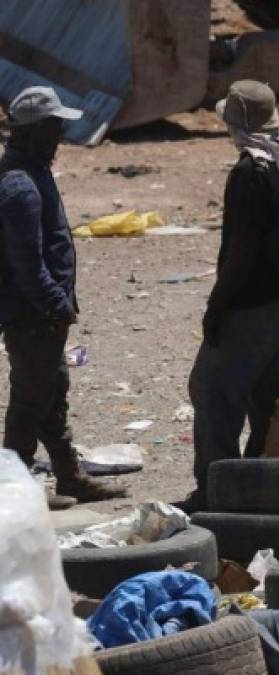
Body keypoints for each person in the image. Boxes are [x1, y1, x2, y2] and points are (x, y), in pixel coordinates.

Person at [177, 80, 279, 513]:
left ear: (236, 123)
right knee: (264, 391)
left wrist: (216, 307)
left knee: (212, 390)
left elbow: (241, 252)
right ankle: (259, 482)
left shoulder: (252, 170)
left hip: (252, 301)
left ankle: (217, 491)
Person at [0, 86, 126, 503]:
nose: (60, 137)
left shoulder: (31, 173)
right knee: (30, 402)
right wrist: (56, 306)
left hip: (41, 315)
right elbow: (27, 264)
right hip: (33, 317)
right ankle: (14, 492)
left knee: (51, 393)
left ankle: (70, 477)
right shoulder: (20, 186)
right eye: (54, 128)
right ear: (35, 131)